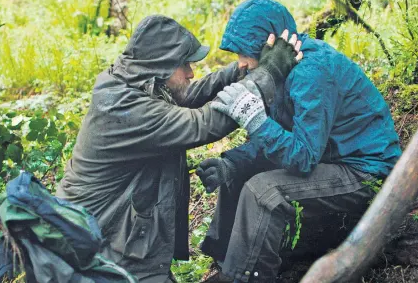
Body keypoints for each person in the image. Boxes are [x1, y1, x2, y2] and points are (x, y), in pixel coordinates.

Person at [55, 14, 302, 283]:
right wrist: (269, 72)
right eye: (184, 64)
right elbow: (206, 123)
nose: (190, 72)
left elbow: (186, 97)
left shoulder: (130, 81)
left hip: (113, 237)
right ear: (160, 66)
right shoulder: (125, 109)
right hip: (97, 250)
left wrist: (239, 70)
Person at [196, 0, 403, 283]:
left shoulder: (311, 71)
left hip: (365, 172)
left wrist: (256, 119)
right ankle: (224, 266)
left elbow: (303, 157)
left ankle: (244, 279)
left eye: (244, 53)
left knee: (264, 192)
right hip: (330, 159)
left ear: (269, 42)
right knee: (237, 174)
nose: (240, 64)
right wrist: (231, 164)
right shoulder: (283, 68)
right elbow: (280, 137)